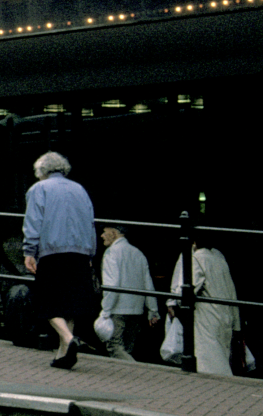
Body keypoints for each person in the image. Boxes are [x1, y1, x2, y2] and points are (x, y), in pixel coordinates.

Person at [21, 151, 96, 369]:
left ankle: (69, 339)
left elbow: (33, 221)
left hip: (52, 251)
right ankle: (63, 354)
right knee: (70, 303)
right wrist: (90, 252)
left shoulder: (39, 189)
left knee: (47, 300)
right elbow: (90, 222)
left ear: (42, 171)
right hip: (80, 252)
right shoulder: (79, 189)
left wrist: (29, 251)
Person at [168, 241, 241, 376]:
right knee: (222, 360)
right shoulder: (219, 257)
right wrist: (237, 325)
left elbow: (186, 293)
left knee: (209, 366)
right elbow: (232, 292)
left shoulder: (197, 258)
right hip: (225, 317)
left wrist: (176, 297)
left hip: (206, 319)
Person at [98, 225, 160, 361]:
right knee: (127, 348)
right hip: (136, 310)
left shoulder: (111, 253)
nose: (101, 235)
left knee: (115, 347)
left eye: (104, 232)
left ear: (113, 233)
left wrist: (105, 311)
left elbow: (112, 284)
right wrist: (153, 310)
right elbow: (148, 283)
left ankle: (139, 372)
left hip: (118, 309)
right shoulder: (138, 253)